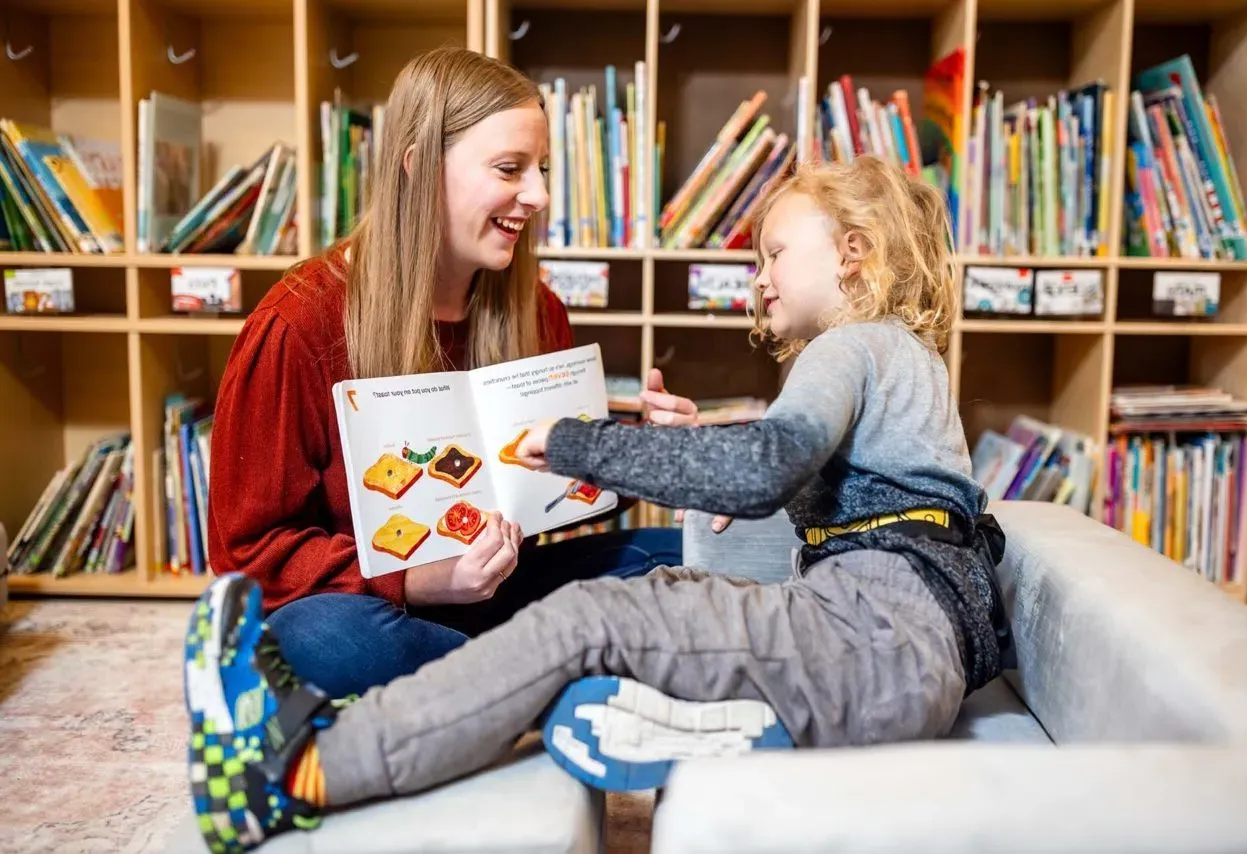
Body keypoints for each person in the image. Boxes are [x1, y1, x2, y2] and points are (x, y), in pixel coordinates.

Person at [182, 156, 1016, 853]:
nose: (757, 279)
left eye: (773, 253)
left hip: (872, 644)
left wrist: (585, 443)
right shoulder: (908, 366)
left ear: (854, 255)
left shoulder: (851, 346)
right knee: (652, 596)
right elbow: (805, 500)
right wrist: (702, 466)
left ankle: (296, 772)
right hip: (886, 656)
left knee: (585, 621)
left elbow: (765, 466)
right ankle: (694, 718)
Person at [204, 46, 687, 700]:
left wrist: (642, 455)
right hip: (382, 614)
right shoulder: (298, 327)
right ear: (419, 170)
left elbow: (552, 492)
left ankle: (498, 691)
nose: (540, 196)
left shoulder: (534, 308)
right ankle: (546, 679)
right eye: (511, 169)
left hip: (498, 596)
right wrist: (412, 580)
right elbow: (249, 556)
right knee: (313, 636)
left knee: (678, 559)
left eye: (541, 169)